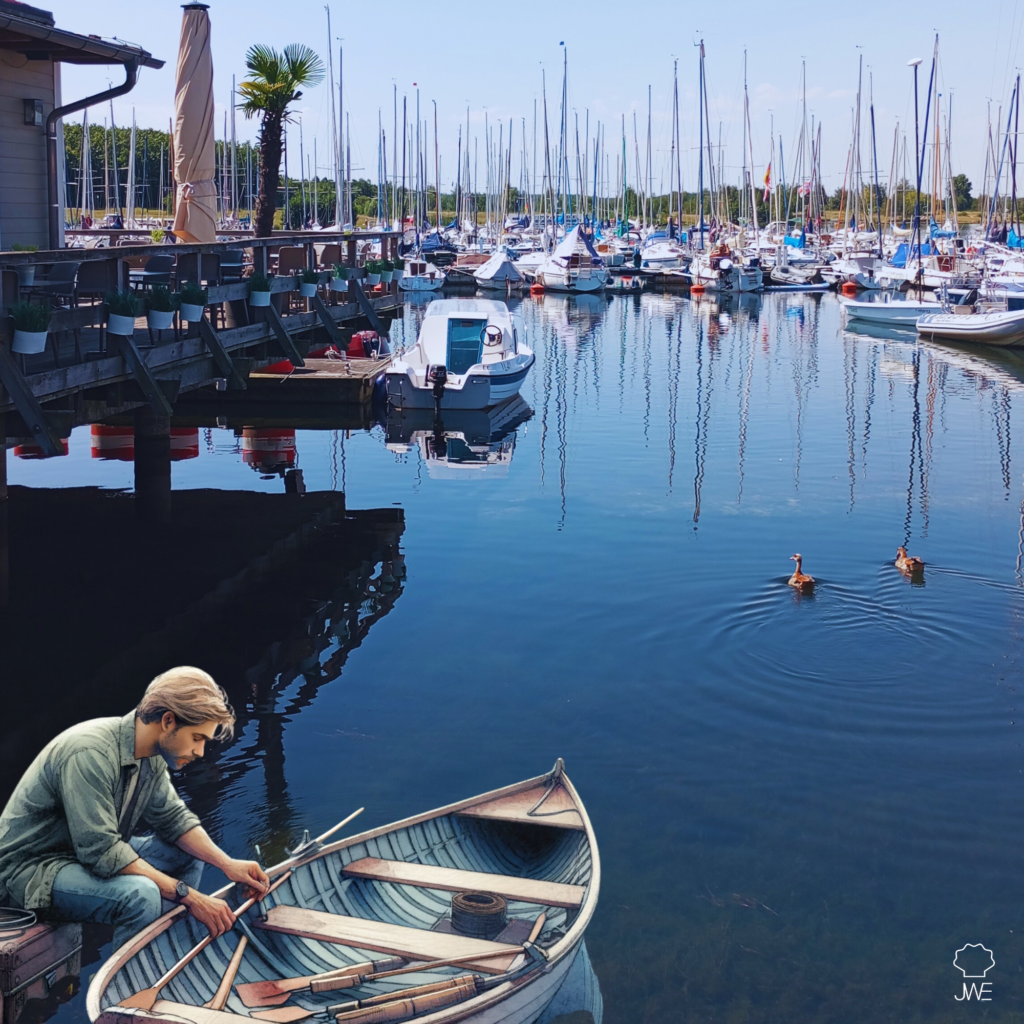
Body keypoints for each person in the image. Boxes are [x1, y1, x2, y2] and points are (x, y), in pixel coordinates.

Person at [0, 668, 269, 948]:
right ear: (168, 721)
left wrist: (227, 864)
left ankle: (165, 950)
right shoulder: (89, 753)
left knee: (188, 854)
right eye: (197, 738)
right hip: (27, 873)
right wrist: (190, 896)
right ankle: (128, 988)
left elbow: (174, 819)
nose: (200, 753)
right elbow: (102, 852)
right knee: (141, 895)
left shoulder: (150, 754)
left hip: (79, 857)